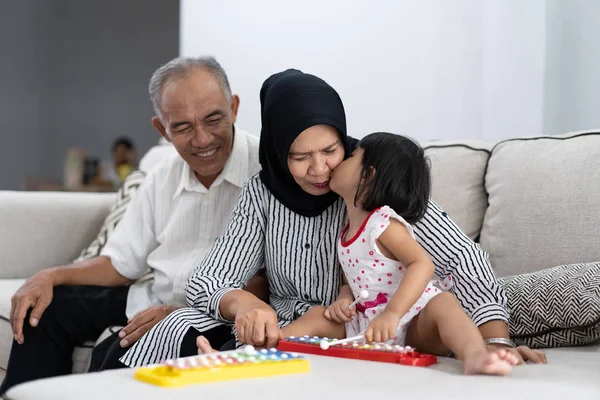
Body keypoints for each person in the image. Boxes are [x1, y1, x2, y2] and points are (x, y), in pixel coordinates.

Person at [120, 69, 546, 368]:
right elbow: (208, 280)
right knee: (178, 324)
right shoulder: (263, 193)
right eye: (300, 157)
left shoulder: (373, 185)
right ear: (276, 152)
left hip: (367, 326)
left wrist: (495, 339)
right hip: (294, 327)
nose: (319, 169)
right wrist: (246, 303)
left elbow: (461, 261)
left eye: (330, 151)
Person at [0, 56, 265, 395]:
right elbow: (120, 263)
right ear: (162, 130)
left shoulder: (267, 170)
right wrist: (50, 276)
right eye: (182, 127)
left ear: (234, 107)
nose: (202, 140)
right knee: (49, 306)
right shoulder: (161, 176)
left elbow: (273, 277)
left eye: (213, 119)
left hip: (216, 315)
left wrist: (181, 313)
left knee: (121, 362)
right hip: (152, 297)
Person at [322, 132, 519, 374]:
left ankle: (475, 355)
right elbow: (350, 276)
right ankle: (275, 338)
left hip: (411, 321)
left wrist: (394, 313)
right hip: (369, 324)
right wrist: (343, 298)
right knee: (317, 315)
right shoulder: (345, 230)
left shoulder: (384, 223)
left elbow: (422, 263)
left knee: (443, 302)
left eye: (351, 156)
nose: (339, 162)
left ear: (368, 175)